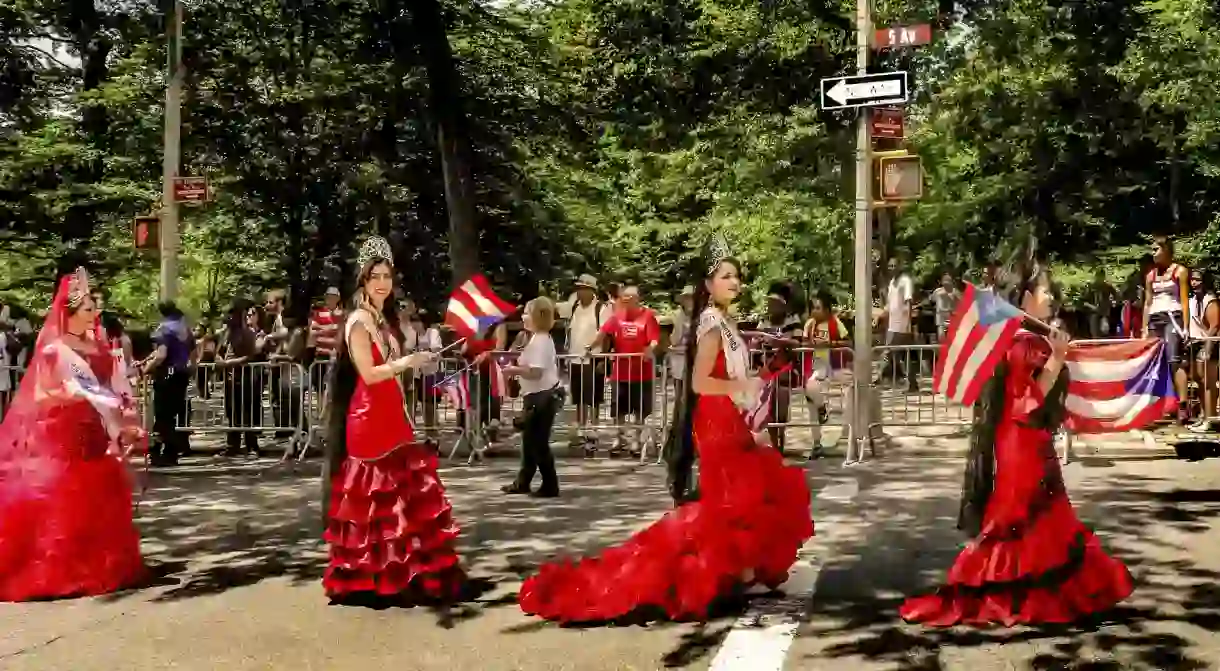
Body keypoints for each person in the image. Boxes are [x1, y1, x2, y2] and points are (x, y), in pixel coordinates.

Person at [519, 236, 813, 623]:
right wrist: (744, 387)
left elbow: (733, 376)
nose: (734, 282)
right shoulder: (711, 324)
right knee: (736, 491)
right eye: (725, 276)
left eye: (737, 276)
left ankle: (741, 569)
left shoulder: (725, 321)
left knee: (742, 490)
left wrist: (768, 371)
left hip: (727, 414)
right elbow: (700, 382)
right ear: (708, 285)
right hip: (715, 416)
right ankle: (731, 570)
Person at [900, 263, 1133, 627]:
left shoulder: (1025, 338)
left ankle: (1029, 593)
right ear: (1025, 298)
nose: (1052, 297)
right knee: (1018, 520)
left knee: (1038, 520)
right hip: (1023, 444)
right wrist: (1056, 359)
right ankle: (997, 590)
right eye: (1045, 291)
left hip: (1022, 441)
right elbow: (1032, 398)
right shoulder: (1025, 343)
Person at [321, 236, 464, 607]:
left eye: (386, 276)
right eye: (375, 277)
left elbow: (392, 370)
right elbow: (369, 375)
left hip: (393, 415)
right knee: (379, 499)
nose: (382, 283)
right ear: (363, 282)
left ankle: (409, 571)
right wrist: (406, 362)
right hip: (369, 419)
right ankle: (374, 576)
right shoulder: (357, 321)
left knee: (405, 496)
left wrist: (416, 359)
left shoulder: (381, 321)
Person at [0, 269, 148, 601]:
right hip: (65, 433)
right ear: (68, 312)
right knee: (67, 501)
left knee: (100, 498)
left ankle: (98, 566)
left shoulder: (99, 343)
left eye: (94, 306)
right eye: (87, 308)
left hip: (96, 430)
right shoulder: (52, 345)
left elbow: (112, 388)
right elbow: (40, 395)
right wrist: (72, 394)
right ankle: (62, 570)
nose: (94, 313)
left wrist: (125, 418)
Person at [587, 285, 660, 457]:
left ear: (638, 299)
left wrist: (650, 349)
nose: (626, 300)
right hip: (620, 373)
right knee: (617, 409)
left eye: (630, 297)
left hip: (642, 373)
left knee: (639, 410)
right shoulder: (616, 317)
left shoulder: (648, 316)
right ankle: (618, 439)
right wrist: (590, 347)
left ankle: (635, 440)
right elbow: (603, 333)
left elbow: (655, 340)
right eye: (624, 297)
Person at [501, 297, 562, 498]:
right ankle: (523, 482)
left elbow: (535, 372)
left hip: (542, 396)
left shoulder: (541, 341)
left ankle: (550, 484)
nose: (523, 316)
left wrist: (512, 370)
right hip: (536, 395)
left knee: (538, 443)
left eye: (527, 312)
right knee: (529, 442)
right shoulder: (536, 338)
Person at [1141, 235, 1190, 423]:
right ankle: (1157, 406)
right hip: (1155, 318)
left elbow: (1184, 300)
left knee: (1174, 360)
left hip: (1173, 317)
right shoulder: (1150, 275)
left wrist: (1185, 327)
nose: (1153, 253)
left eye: (1156, 249)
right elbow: (1147, 302)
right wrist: (1144, 328)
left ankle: (1183, 405)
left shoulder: (1180, 271)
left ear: (1166, 250)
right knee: (1154, 363)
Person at [141, 301, 194, 466]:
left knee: (162, 416)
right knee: (174, 416)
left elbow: (161, 355)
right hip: (181, 375)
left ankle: (160, 453)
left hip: (166, 376)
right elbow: (193, 355)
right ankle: (172, 452)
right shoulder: (185, 330)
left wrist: (146, 368)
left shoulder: (163, 329)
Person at [802, 291, 849, 459]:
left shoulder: (835, 323)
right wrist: (810, 344)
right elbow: (803, 344)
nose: (814, 312)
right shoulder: (809, 324)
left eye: (818, 308)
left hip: (835, 367)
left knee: (854, 391)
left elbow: (848, 342)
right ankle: (816, 442)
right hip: (816, 368)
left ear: (828, 310)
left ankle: (855, 438)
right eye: (813, 308)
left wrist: (830, 344)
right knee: (811, 395)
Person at [564, 274, 606, 455]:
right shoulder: (575, 307)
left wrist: (603, 358)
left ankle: (593, 431)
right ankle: (580, 430)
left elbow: (605, 333)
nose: (579, 291)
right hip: (575, 358)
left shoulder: (601, 308)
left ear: (592, 290)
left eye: (583, 288)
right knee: (579, 396)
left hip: (593, 358)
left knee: (594, 397)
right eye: (578, 288)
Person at [875, 255, 918, 391]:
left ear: (899, 266)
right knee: (901, 355)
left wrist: (908, 324)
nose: (892, 268)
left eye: (894, 265)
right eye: (890, 266)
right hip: (893, 325)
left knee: (888, 352)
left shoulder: (905, 281)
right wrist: (880, 316)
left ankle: (879, 379)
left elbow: (908, 302)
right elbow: (889, 304)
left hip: (902, 325)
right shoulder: (892, 283)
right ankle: (910, 383)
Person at [1187, 269, 1219, 433]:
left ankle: (1210, 417)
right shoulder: (1193, 300)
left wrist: (1207, 348)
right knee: (1198, 381)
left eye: (1197, 279)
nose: (1194, 283)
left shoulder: (1210, 300)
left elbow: (1214, 326)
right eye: (1192, 279)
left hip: (1208, 343)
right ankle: (1203, 415)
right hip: (1195, 341)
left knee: (1208, 382)